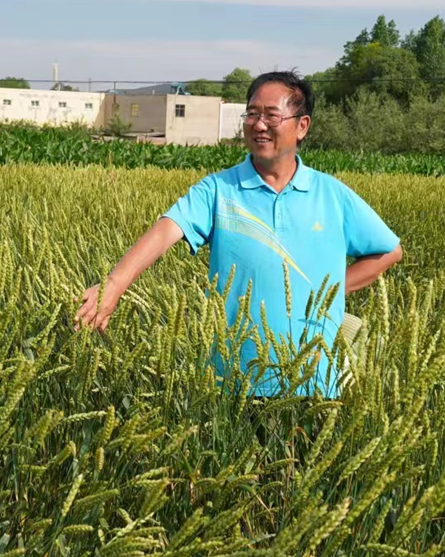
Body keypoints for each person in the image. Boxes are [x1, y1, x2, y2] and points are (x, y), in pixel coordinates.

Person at [75, 71, 404, 397]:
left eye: (271, 116)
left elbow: (389, 251)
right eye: (252, 114)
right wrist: (115, 283)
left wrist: (325, 295)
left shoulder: (332, 195)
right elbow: (166, 231)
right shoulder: (219, 189)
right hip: (231, 381)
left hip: (316, 382)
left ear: (302, 126)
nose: (259, 125)